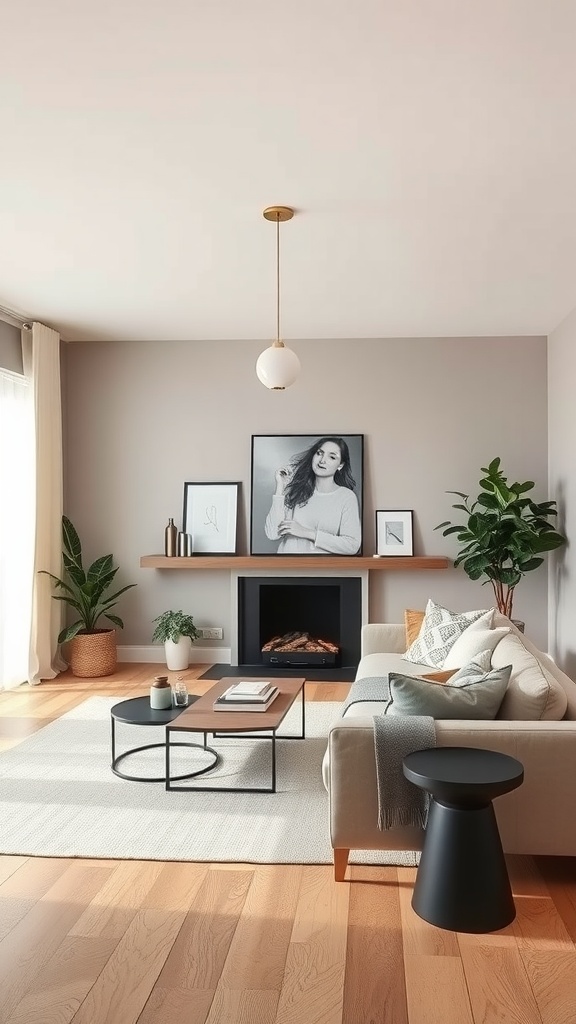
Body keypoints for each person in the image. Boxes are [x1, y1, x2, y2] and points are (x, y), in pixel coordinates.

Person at [265, 436, 361, 554]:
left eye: (331, 457)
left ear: (340, 465)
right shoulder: (295, 490)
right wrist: (281, 488)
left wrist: (306, 532)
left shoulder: (346, 497)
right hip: (286, 568)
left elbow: (351, 546)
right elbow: (272, 534)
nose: (322, 460)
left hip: (321, 570)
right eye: (319, 453)